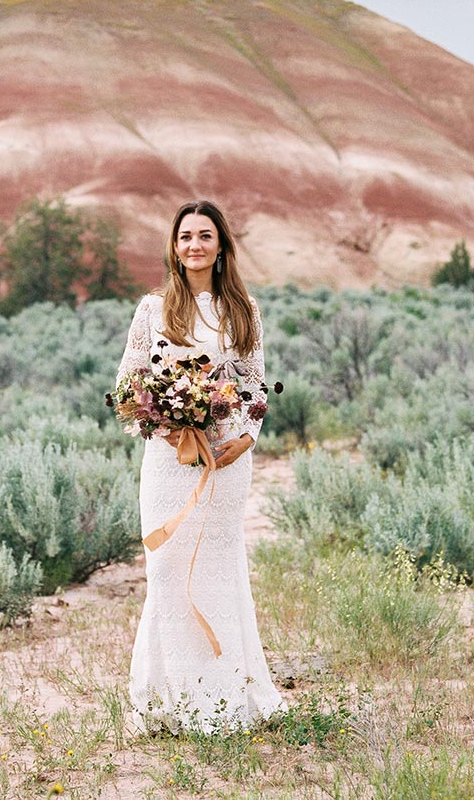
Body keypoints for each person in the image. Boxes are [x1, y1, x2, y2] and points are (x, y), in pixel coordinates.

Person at [119, 199, 285, 733]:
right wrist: (166, 427)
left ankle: (222, 698)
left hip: (225, 459)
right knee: (167, 572)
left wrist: (247, 438)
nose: (194, 244)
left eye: (205, 235)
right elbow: (129, 383)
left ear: (221, 246)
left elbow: (255, 382)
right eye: (185, 235)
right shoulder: (153, 309)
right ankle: (168, 703)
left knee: (217, 573)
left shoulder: (243, 310)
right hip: (168, 461)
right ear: (174, 246)